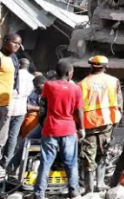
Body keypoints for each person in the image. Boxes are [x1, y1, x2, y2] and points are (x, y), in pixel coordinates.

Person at [32, 60, 83, 199]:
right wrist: (82, 128)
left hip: (51, 129)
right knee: (71, 163)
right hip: (69, 129)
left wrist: (43, 122)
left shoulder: (49, 85)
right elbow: (79, 110)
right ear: (69, 73)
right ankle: (74, 192)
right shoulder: (76, 89)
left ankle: (39, 194)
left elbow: (43, 105)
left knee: (45, 162)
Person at [78, 55, 122, 194]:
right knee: (103, 152)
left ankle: (88, 188)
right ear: (106, 66)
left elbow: (78, 107)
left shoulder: (82, 83)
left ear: (91, 66)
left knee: (88, 155)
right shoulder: (113, 81)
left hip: (88, 122)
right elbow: (119, 104)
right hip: (107, 121)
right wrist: (117, 121)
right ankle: (101, 183)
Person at [7, 75, 46, 175]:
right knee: (26, 142)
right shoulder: (36, 93)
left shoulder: (51, 92)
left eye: (37, 86)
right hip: (43, 124)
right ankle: (10, 169)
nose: (35, 88)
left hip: (53, 125)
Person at [1, 58, 33, 168]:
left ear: (18, 64)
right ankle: (6, 161)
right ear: (28, 66)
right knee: (13, 136)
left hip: (8, 107)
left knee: (2, 134)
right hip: (21, 109)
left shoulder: (13, 74)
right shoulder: (31, 78)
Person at [0, 33, 21, 173]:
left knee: (2, 138)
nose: (17, 46)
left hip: (5, 104)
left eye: (19, 44)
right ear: (5, 41)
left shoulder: (13, 59)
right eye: (14, 43)